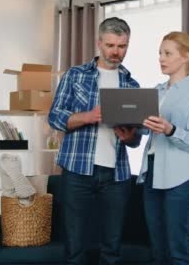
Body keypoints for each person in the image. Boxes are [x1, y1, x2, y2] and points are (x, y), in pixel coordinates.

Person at [48, 17, 142, 265]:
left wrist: (131, 137)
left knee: (112, 249)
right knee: (74, 247)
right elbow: (55, 116)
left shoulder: (132, 86)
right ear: (99, 42)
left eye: (122, 46)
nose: (116, 52)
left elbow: (136, 141)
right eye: (110, 45)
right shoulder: (75, 75)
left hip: (117, 176)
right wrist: (87, 116)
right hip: (77, 171)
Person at [138, 31, 189, 265]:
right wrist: (133, 128)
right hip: (152, 174)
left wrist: (170, 129)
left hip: (182, 178)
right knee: (158, 252)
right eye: (160, 53)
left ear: (185, 56)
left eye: (167, 53)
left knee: (179, 251)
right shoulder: (155, 91)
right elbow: (147, 132)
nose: (161, 58)